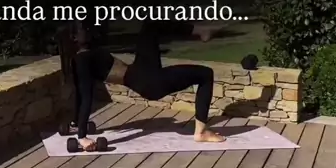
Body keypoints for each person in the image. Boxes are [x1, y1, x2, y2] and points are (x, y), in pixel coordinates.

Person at [57, 20, 224, 152]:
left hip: (141, 69)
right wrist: (82, 137)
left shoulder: (85, 55)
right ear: (74, 37)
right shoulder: (82, 60)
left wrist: (76, 122)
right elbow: (84, 95)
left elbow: (79, 93)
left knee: (150, 25)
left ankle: (198, 30)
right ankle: (201, 132)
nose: (88, 30)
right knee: (205, 74)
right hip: (149, 83)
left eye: (86, 27)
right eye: (83, 29)